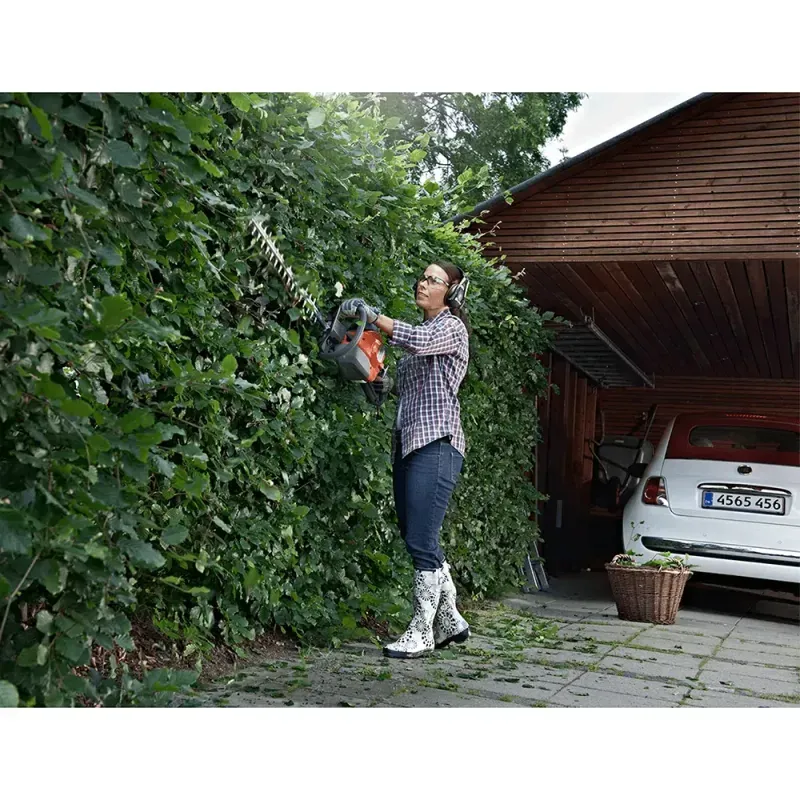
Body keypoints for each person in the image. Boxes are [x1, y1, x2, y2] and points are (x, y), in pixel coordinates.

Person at [338, 262, 471, 659]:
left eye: (433, 280)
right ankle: (449, 619)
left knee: (421, 539)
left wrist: (373, 316)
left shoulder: (451, 328)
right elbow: (410, 387)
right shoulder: (420, 339)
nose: (423, 284)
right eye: (422, 278)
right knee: (414, 532)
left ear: (451, 292)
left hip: (438, 441)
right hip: (409, 442)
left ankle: (422, 631)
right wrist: (383, 383)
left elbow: (418, 340)